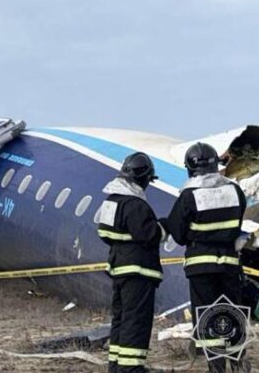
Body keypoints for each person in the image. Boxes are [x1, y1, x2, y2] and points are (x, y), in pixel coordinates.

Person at [163, 142, 250, 373]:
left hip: (200, 265)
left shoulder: (189, 196)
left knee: (207, 315)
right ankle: (238, 360)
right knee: (232, 311)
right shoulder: (235, 191)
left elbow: (178, 234)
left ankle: (217, 366)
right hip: (229, 263)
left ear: (190, 168)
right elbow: (238, 223)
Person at [96, 152, 167, 373]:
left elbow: (104, 233)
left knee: (121, 318)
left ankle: (116, 365)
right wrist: (165, 226)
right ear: (143, 178)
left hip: (118, 269)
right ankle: (131, 368)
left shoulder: (111, 202)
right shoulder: (136, 205)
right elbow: (149, 235)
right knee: (136, 320)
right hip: (138, 271)